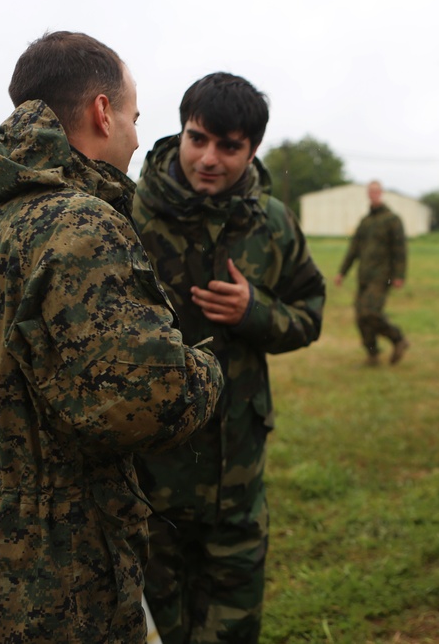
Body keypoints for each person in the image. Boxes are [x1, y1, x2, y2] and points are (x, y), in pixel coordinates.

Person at [0, 31, 223, 643]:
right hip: (62, 580)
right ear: (101, 111)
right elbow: (147, 404)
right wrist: (206, 371)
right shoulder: (79, 223)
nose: (139, 138)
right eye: (135, 117)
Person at [131, 72, 326, 643]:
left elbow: (310, 312)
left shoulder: (272, 223)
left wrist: (254, 313)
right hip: (151, 477)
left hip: (235, 476)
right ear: (182, 132)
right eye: (197, 139)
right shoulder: (129, 215)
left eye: (229, 146)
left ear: (253, 149)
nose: (209, 158)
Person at [335, 180, 409, 365]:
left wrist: (399, 275)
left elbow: (400, 249)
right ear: (368, 194)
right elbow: (353, 249)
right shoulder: (365, 222)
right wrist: (342, 272)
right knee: (360, 317)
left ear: (381, 193)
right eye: (371, 192)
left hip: (382, 276)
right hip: (364, 276)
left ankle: (398, 339)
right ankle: (372, 355)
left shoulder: (392, 219)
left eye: (376, 191)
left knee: (370, 312)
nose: (373, 194)